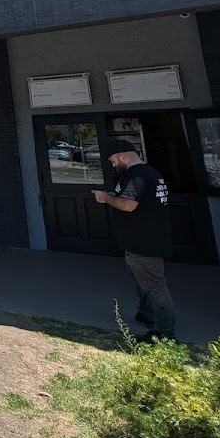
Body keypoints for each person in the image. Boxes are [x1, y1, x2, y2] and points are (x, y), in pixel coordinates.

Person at [92, 140, 175, 341]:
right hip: (143, 240)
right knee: (143, 283)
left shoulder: (137, 175)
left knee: (154, 286)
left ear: (122, 156)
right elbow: (135, 199)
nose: (113, 165)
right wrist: (114, 195)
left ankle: (164, 334)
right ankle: (147, 314)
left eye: (113, 161)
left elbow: (128, 205)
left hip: (144, 242)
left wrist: (105, 198)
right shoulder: (150, 174)